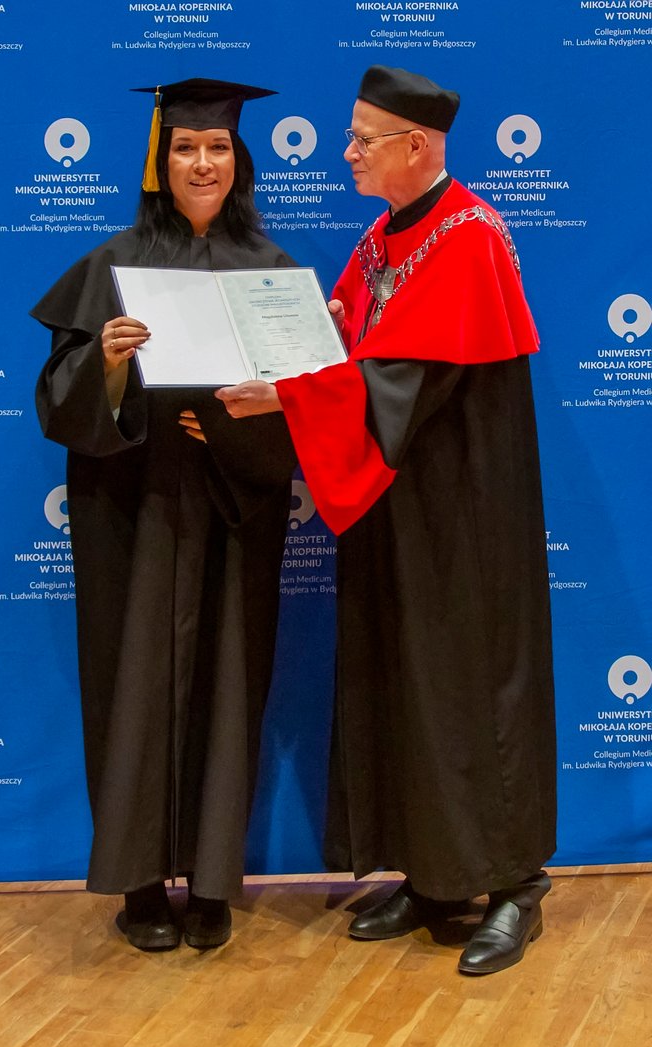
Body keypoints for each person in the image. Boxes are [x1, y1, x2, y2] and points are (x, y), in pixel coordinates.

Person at [216, 66, 557, 976]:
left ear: (417, 144)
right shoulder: (381, 237)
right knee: (407, 682)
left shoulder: (469, 237)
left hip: (462, 516)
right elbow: (353, 350)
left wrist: (290, 394)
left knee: (472, 686)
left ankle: (515, 884)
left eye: (363, 139)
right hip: (395, 506)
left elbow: (404, 382)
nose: (348, 153)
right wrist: (307, 346)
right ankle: (437, 875)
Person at [32, 78, 296, 952]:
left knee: (229, 682)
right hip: (132, 510)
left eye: (217, 148)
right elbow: (58, 399)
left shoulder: (271, 272)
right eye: (186, 147)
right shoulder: (112, 267)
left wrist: (235, 426)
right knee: (133, 680)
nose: (202, 163)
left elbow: (306, 407)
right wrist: (107, 365)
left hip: (232, 507)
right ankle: (141, 885)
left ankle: (213, 882)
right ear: (160, 161)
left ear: (238, 160)